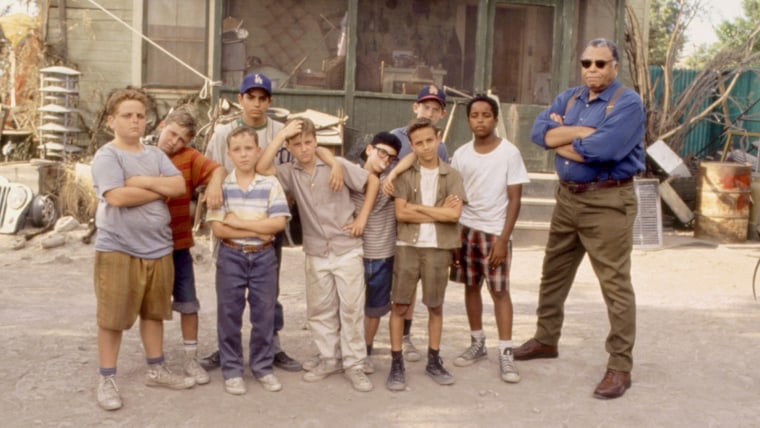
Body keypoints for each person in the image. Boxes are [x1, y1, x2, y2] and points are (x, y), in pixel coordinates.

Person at [516, 38, 645, 400]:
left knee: (615, 285)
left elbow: (604, 150)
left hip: (607, 201)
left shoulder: (628, 104)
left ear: (615, 67)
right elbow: (537, 132)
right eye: (587, 63)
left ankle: (620, 366)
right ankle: (546, 339)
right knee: (553, 270)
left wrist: (560, 137)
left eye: (601, 64)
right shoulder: (570, 98)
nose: (592, 70)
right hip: (567, 197)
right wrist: (576, 133)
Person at [257, 118, 380, 392]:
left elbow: (371, 181)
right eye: (297, 144)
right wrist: (281, 136)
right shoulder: (290, 172)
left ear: (317, 142)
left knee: (350, 308)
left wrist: (362, 217)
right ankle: (328, 358)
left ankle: (355, 364)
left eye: (309, 142)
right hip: (315, 250)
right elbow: (262, 168)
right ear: (289, 146)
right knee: (319, 308)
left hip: (346, 247)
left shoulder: (336, 165)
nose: (304, 149)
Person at [91, 89, 195, 411]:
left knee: (154, 313)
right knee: (112, 317)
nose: (135, 121)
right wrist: (156, 189)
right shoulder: (107, 156)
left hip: (159, 248)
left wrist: (140, 182)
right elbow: (117, 198)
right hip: (119, 248)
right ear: (112, 121)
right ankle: (107, 379)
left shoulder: (154, 155)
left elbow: (179, 187)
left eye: (140, 115)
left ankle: (156, 368)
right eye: (127, 115)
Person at [201, 72, 300, 372]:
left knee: (269, 289)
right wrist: (215, 180)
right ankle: (224, 348)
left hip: (269, 215)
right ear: (239, 99)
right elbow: (209, 168)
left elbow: (296, 168)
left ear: (269, 101)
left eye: (262, 98)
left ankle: (272, 344)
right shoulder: (223, 133)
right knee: (230, 292)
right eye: (250, 97)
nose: (256, 104)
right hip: (230, 217)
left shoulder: (281, 131)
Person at [448, 95, 529, 384]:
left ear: (495, 119)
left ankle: (505, 351)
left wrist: (503, 239)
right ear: (468, 120)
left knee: (499, 292)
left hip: (495, 232)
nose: (480, 120)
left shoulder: (509, 153)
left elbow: (515, 199)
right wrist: (454, 234)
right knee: (471, 287)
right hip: (465, 230)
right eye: (474, 115)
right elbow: (454, 197)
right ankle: (477, 342)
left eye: (486, 115)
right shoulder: (461, 154)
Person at [206, 127, 291, 395]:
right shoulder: (223, 186)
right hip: (231, 255)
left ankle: (262, 367)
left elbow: (277, 224)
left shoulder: (270, 184)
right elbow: (219, 229)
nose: (243, 154)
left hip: (264, 256)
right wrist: (257, 228)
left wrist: (241, 223)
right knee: (229, 314)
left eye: (249, 149)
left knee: (264, 314)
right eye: (237, 150)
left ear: (258, 151)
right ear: (229, 154)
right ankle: (231, 369)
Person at [385, 117, 467, 391]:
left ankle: (434, 359)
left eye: (429, 140)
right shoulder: (406, 174)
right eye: (418, 143)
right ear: (411, 146)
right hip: (408, 246)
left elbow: (454, 214)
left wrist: (419, 209)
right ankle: (396, 362)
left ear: (438, 138)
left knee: (435, 306)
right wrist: (437, 212)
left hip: (438, 248)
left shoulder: (452, 175)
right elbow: (400, 213)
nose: (425, 147)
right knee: (399, 305)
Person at [155, 109, 226, 386]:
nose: (175, 141)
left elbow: (217, 168)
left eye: (182, 139)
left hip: (180, 244)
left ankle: (190, 359)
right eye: (172, 133)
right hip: (149, 247)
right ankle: (156, 361)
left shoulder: (189, 158)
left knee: (188, 304)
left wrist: (214, 185)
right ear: (162, 125)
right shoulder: (143, 154)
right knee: (154, 307)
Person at [388, 84, 450, 362]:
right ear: (415, 107)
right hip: (390, 215)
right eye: (425, 107)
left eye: (435, 109)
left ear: (442, 115)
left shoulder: (442, 146)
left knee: (412, 281)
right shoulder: (395, 137)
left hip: (421, 221)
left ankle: (406, 337)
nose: (429, 112)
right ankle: (371, 339)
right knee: (393, 282)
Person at [349, 132, 402, 374]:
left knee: (375, 307)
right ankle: (347, 349)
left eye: (392, 157)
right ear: (369, 149)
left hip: (382, 252)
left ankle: (365, 350)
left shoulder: (392, 181)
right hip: (353, 251)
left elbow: (410, 161)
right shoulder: (351, 174)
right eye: (382, 152)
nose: (386, 159)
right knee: (349, 305)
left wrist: (394, 172)